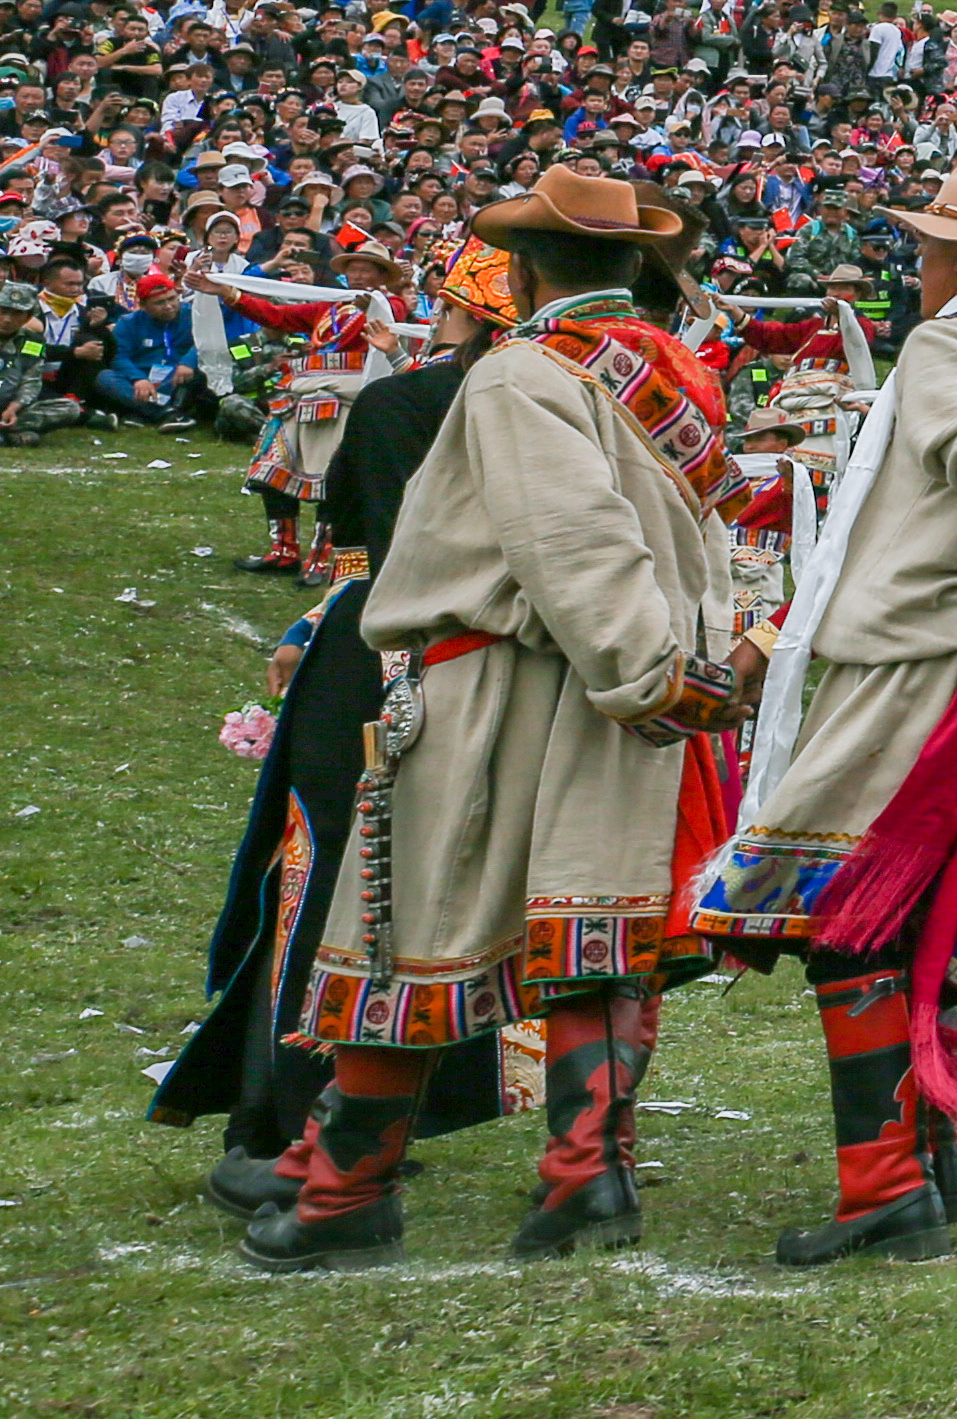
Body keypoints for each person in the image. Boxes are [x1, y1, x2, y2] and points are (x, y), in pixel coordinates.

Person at [248, 169, 745, 1267]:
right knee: (594, 925)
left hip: (514, 674)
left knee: (400, 925)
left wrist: (644, 671)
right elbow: (692, 541)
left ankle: (343, 1192)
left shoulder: (521, 371)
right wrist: (680, 669)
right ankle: (588, 1172)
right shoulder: (675, 369)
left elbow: (569, 538)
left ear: (520, 270)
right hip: (621, 684)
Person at [687, 152, 957, 1267]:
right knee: (917, 917)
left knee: (851, 918)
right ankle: (926, 1163)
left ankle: (886, 1186)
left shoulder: (952, 345)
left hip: (930, 664)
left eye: (929, 242)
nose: (916, 261)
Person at [156, 249, 505, 1210]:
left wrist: (322, 626)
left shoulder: (410, 404)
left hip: (392, 662)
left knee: (334, 889)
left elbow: (380, 554)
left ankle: (289, 1122)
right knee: (428, 898)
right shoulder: (604, 402)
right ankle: (369, 1116)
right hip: (514, 677)